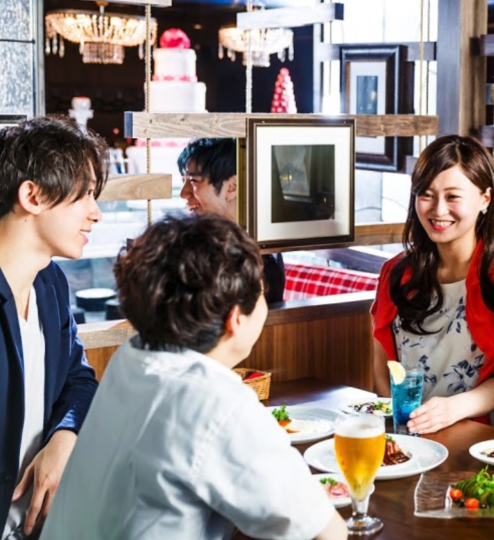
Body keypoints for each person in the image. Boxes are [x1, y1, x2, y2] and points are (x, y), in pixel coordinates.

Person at [41, 215, 346, 540]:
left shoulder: (132, 357)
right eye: (261, 293)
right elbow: (326, 532)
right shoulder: (216, 401)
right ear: (235, 319)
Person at [0, 116, 104, 540]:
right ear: (31, 195)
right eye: (84, 195)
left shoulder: (49, 281)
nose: (96, 213)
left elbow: (79, 379)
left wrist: (65, 436)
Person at [372, 135, 494, 434]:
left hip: (483, 440)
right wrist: (404, 429)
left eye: (452, 196)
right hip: (409, 436)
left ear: (484, 199)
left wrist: (452, 409)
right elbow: (385, 367)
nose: (438, 210)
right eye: (426, 194)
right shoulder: (395, 272)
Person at [178, 137, 285, 304]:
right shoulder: (207, 242)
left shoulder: (257, 257)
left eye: (193, 181)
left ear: (232, 187)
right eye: (183, 181)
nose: (183, 193)